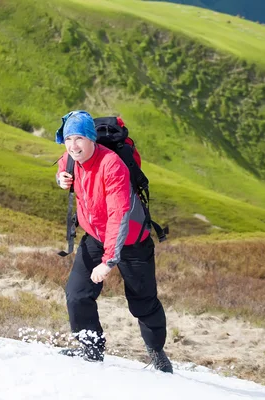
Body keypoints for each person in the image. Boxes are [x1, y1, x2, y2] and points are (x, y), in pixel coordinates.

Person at [54, 110, 173, 373]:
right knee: (77, 294)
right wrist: (61, 178)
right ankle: (91, 349)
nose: (73, 145)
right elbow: (64, 168)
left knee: (143, 303)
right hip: (95, 236)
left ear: (92, 138)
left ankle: (157, 354)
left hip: (132, 241)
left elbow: (119, 216)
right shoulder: (70, 159)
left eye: (79, 138)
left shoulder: (112, 165)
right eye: (68, 138)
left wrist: (109, 261)